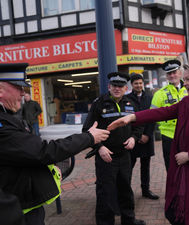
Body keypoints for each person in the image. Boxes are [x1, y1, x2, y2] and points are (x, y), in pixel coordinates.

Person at [108, 62, 189, 225]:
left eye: (188, 79)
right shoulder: (186, 103)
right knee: (182, 216)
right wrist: (132, 118)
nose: (185, 83)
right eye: (185, 79)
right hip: (184, 174)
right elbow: (161, 112)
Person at [0, 63, 110, 225]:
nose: (23, 93)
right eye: (19, 87)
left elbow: (23, 155)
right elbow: (44, 151)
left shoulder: (7, 115)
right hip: (16, 212)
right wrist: (89, 137)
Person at [82, 72, 145, 225]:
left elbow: (139, 124)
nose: (117, 88)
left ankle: (128, 220)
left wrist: (133, 138)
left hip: (124, 155)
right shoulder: (99, 103)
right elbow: (87, 130)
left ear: (125, 88)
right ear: (109, 87)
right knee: (106, 192)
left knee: (125, 190)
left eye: (121, 86)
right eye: (114, 86)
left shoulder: (131, 103)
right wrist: (100, 147)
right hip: (106, 155)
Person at [126, 73, 159, 200]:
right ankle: (126, 191)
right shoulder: (127, 99)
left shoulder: (150, 97)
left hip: (146, 137)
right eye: (136, 83)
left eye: (140, 83)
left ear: (143, 84)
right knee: (129, 166)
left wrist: (147, 134)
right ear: (132, 85)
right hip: (132, 138)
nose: (138, 85)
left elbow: (153, 117)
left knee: (146, 166)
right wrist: (135, 136)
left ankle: (146, 190)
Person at [151, 59, 187, 171]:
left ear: (180, 73)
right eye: (169, 73)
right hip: (169, 137)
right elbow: (152, 115)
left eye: (174, 72)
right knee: (172, 168)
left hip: (188, 135)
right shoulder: (159, 94)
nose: (172, 75)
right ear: (166, 76)